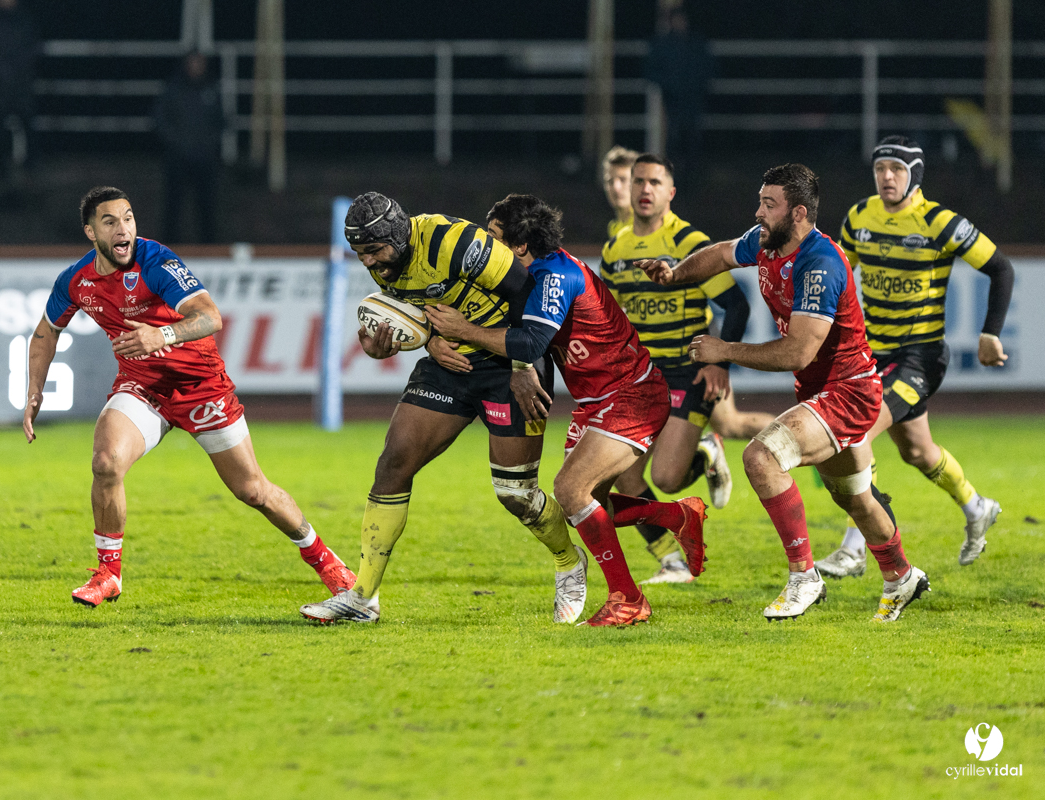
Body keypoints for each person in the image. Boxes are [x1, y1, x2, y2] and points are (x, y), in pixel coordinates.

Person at [24, 186, 354, 607]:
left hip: (200, 386)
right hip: (143, 388)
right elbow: (45, 332)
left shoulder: (156, 261)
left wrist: (161, 333)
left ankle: (328, 563)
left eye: (128, 217)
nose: (123, 228)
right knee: (105, 463)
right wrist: (34, 392)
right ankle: (108, 574)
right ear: (91, 232)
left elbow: (210, 316)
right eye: (110, 222)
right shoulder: (76, 280)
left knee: (252, 490)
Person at [643, 164, 930, 622]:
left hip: (847, 393)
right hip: (821, 392)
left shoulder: (820, 263)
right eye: (760, 201)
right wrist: (675, 274)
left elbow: (798, 351)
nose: (757, 212)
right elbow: (718, 255)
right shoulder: (767, 240)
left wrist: (724, 350)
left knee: (761, 457)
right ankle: (901, 576)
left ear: (798, 213)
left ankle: (803, 577)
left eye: (768, 204)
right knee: (854, 496)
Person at [299, 192, 588, 625]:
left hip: (510, 363)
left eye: (375, 251)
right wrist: (420, 341)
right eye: (360, 255)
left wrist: (524, 365)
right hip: (450, 363)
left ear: (398, 235)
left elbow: (526, 291)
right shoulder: (388, 264)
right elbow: (421, 313)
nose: (369, 264)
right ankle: (363, 596)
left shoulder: (453, 242)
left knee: (516, 493)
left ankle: (569, 562)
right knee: (393, 463)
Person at [424, 194, 708, 627]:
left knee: (570, 492)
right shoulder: (528, 275)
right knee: (585, 508)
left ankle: (628, 599)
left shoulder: (554, 274)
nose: (485, 244)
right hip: (596, 401)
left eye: (495, 236)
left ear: (520, 246)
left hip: (631, 393)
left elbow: (531, 342)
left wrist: (463, 330)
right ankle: (677, 515)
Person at [818, 136, 1014, 576]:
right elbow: (839, 279)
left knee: (857, 433)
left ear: (915, 175)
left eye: (897, 170)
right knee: (919, 453)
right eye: (880, 168)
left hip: (920, 358)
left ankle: (854, 549)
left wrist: (990, 333)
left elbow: (1001, 268)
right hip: (874, 354)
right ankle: (977, 506)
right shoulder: (859, 217)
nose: (887, 177)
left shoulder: (938, 222)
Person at [599, 153, 769, 583]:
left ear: (670, 193)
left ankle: (705, 451)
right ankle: (670, 560)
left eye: (654, 182)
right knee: (623, 475)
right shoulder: (614, 249)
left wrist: (719, 360)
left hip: (683, 371)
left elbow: (735, 303)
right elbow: (609, 316)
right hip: (639, 376)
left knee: (668, 479)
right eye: (638, 181)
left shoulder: (688, 243)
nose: (644, 189)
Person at [154, 51, 223, 244]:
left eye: (200, 63)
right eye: (193, 63)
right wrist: (177, 142)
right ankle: (167, 247)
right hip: (178, 157)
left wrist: (209, 143)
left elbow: (221, 120)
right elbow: (160, 119)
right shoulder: (174, 88)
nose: (196, 67)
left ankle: (209, 247)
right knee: (173, 206)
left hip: (205, 158)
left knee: (207, 206)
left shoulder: (211, 88)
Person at [644, 9, 713, 181]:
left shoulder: (694, 42)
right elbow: (650, 69)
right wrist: (668, 85)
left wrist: (700, 84)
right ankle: (676, 173)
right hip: (674, 96)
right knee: (674, 135)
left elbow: (708, 66)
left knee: (692, 135)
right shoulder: (666, 43)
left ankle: (690, 173)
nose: (679, 23)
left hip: (692, 95)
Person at [0, 0, 39, 177]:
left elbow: (34, 46)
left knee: (27, 121)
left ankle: (30, 163)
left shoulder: (25, 18)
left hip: (22, 82)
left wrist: (19, 68)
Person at [601, 145, 639, 239]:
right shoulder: (614, 227)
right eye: (610, 181)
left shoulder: (649, 226)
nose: (616, 187)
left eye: (623, 180)